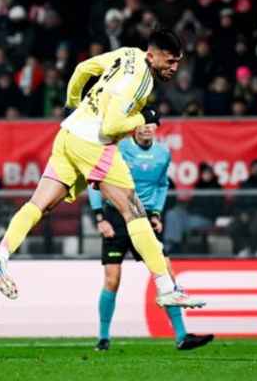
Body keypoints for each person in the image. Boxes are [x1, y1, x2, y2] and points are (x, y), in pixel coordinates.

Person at [0, 29, 205, 310]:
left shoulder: (128, 54)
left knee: (38, 204)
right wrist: (143, 116)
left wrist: (73, 103)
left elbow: (82, 69)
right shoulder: (141, 80)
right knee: (134, 211)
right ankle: (166, 288)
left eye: (178, 62)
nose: (174, 68)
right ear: (152, 55)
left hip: (68, 133)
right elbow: (111, 127)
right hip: (93, 143)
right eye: (170, 61)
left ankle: (1, 254)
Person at [88, 124, 213, 352]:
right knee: (112, 280)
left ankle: (182, 336)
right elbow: (95, 179)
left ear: (156, 128)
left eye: (150, 125)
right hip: (115, 216)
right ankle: (103, 338)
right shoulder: (118, 148)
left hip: (143, 217)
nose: (146, 129)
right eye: (141, 125)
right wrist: (99, 217)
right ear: (133, 129)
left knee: (165, 269)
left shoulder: (163, 153)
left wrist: (156, 212)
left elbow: (162, 185)